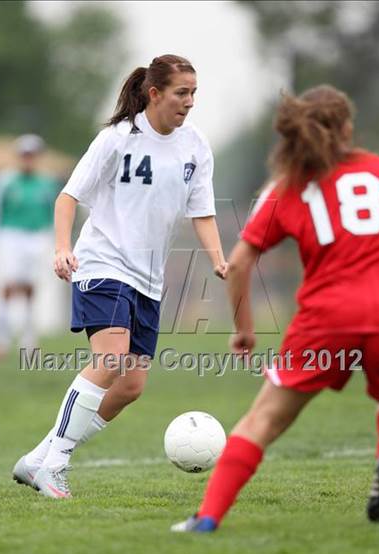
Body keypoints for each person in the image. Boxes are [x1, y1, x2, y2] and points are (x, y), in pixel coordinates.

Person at [172, 85, 379, 532]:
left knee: (263, 419)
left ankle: (206, 519)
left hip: (327, 320)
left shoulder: (287, 188)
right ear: (347, 128)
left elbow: (238, 263)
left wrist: (244, 328)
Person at [12, 54, 228, 498]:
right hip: (103, 263)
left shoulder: (195, 146)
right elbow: (68, 197)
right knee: (110, 361)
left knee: (130, 385)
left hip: (148, 280)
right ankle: (55, 465)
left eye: (193, 93)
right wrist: (61, 248)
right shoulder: (117, 138)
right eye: (181, 93)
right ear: (154, 93)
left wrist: (220, 259)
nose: (189, 102)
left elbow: (202, 212)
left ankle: (39, 456)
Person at [0, 134, 58, 359]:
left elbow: (54, 212)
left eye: (32, 155)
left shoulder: (47, 182)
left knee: (30, 286)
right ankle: (2, 336)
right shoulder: (6, 181)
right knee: (8, 284)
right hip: (11, 235)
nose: (28, 159)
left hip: (37, 236)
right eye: (25, 155)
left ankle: (28, 337)